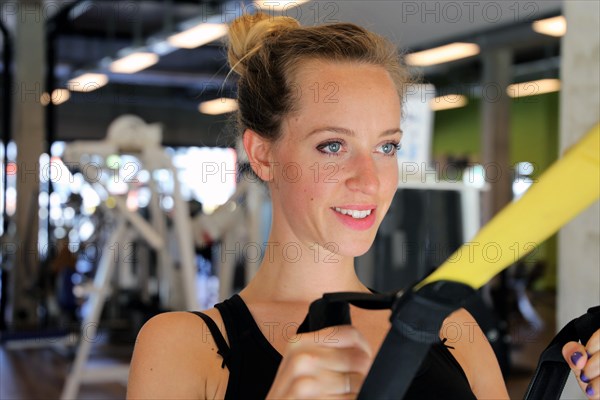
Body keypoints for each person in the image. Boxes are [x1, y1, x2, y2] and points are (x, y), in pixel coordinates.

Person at [127, 12, 600, 400]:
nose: (370, 180)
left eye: (386, 147)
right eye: (332, 146)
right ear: (262, 154)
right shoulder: (184, 347)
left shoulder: (451, 330)